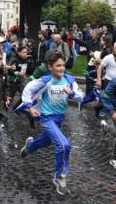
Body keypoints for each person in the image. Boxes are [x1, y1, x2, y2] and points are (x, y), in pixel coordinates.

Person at [19, 51, 83, 196]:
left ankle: (30, 146)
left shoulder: (69, 80)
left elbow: (80, 97)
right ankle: (60, 178)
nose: (62, 68)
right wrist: (29, 107)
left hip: (59, 118)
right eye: (58, 66)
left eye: (63, 65)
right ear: (50, 67)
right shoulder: (45, 80)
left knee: (47, 141)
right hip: (46, 118)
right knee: (64, 144)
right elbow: (28, 90)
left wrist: (72, 94)